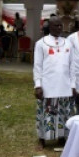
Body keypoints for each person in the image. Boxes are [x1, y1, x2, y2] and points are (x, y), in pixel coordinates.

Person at [33, 17, 76, 149]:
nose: (59, 28)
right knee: (46, 112)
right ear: (49, 27)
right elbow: (37, 66)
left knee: (63, 112)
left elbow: (72, 66)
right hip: (48, 85)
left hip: (64, 85)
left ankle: (61, 137)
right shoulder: (41, 43)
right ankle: (42, 138)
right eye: (56, 26)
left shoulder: (68, 43)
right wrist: (38, 85)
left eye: (60, 26)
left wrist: (73, 85)